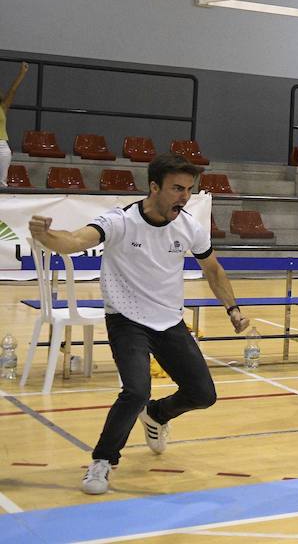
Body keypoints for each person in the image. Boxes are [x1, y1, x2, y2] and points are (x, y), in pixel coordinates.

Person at [27, 152, 251, 494]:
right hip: (126, 319)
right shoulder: (120, 221)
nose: (184, 196)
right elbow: (73, 241)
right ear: (154, 186)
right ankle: (102, 461)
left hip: (169, 321)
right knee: (135, 390)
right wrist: (47, 237)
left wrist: (232, 309)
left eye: (189, 189)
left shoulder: (189, 226)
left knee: (203, 394)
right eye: (177, 188)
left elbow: (213, 269)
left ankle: (158, 415)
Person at [1, 61, 29, 187]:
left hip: (2, 144)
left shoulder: (2, 107)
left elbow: (12, 90)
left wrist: (21, 74)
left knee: (2, 182)